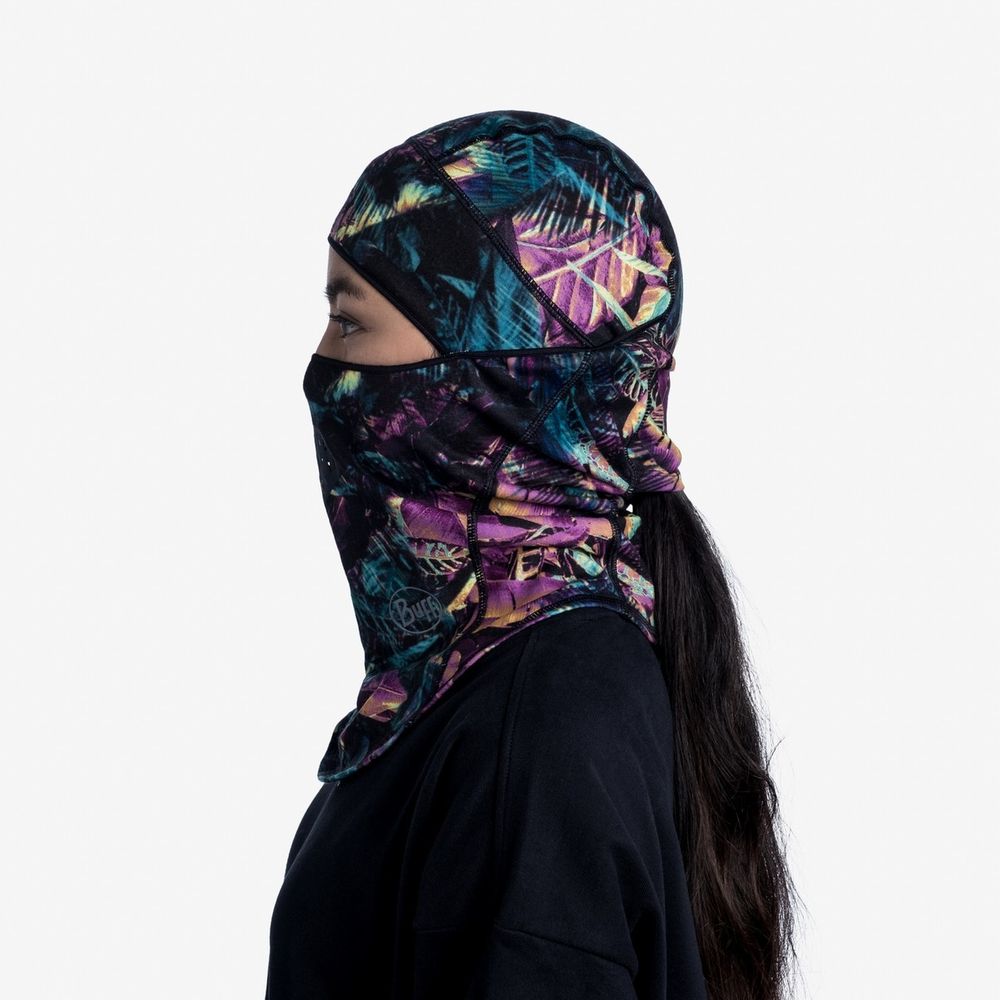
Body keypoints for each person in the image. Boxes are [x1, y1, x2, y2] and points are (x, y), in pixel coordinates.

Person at [264, 109, 799, 999]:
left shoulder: (536, 723)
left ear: (501, 371)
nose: (320, 371)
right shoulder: (519, 673)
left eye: (349, 324)